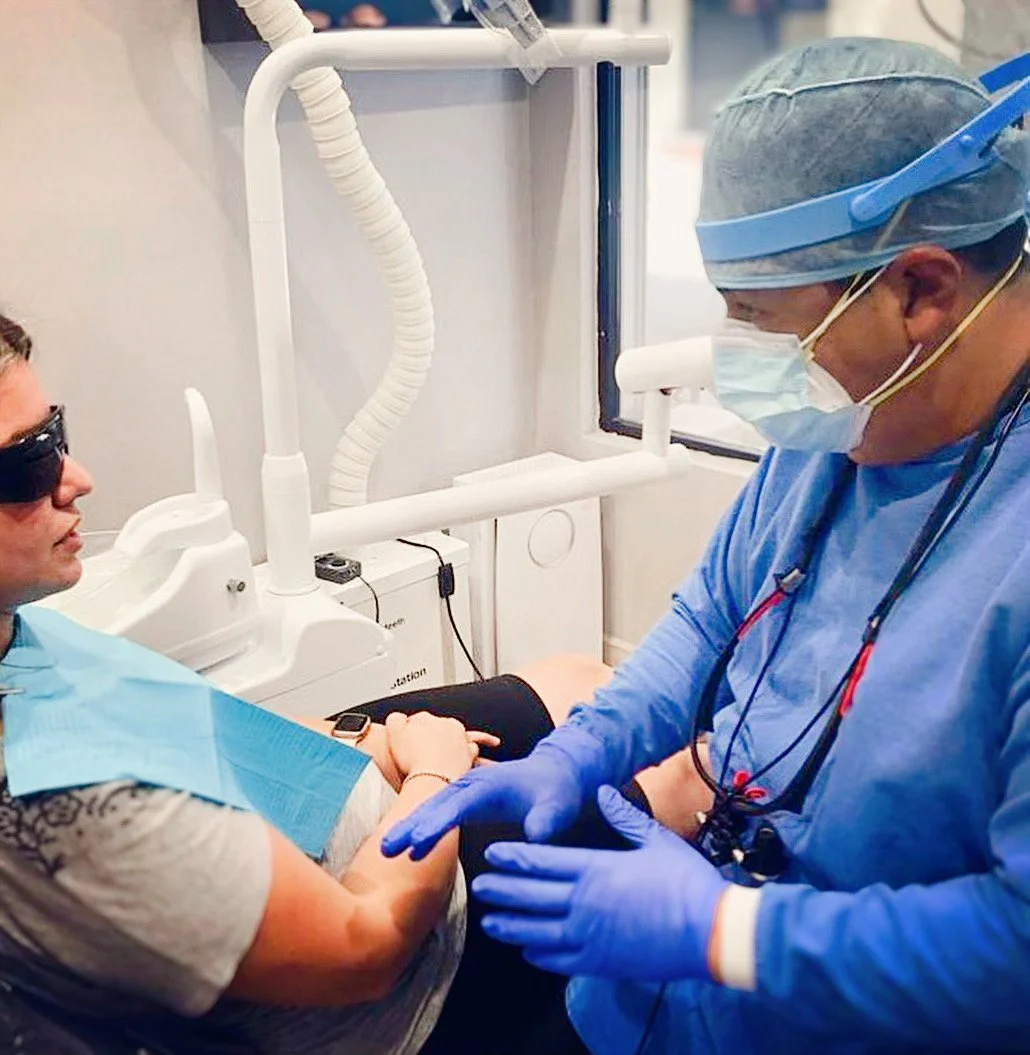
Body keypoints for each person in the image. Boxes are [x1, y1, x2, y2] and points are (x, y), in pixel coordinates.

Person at [384, 37, 1030, 1055]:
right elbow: (705, 623)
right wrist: (574, 753)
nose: (739, 356)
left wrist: (730, 929)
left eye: (759, 320)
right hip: (656, 1003)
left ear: (921, 289)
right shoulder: (840, 431)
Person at [0, 310, 713, 1055]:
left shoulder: (18, 629)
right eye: (27, 462)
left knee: (578, 679)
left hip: (348, 798)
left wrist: (366, 743)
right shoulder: (75, 805)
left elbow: (201, 722)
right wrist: (435, 769)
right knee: (681, 781)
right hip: (420, 953)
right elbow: (367, 946)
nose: (76, 480)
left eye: (57, 435)